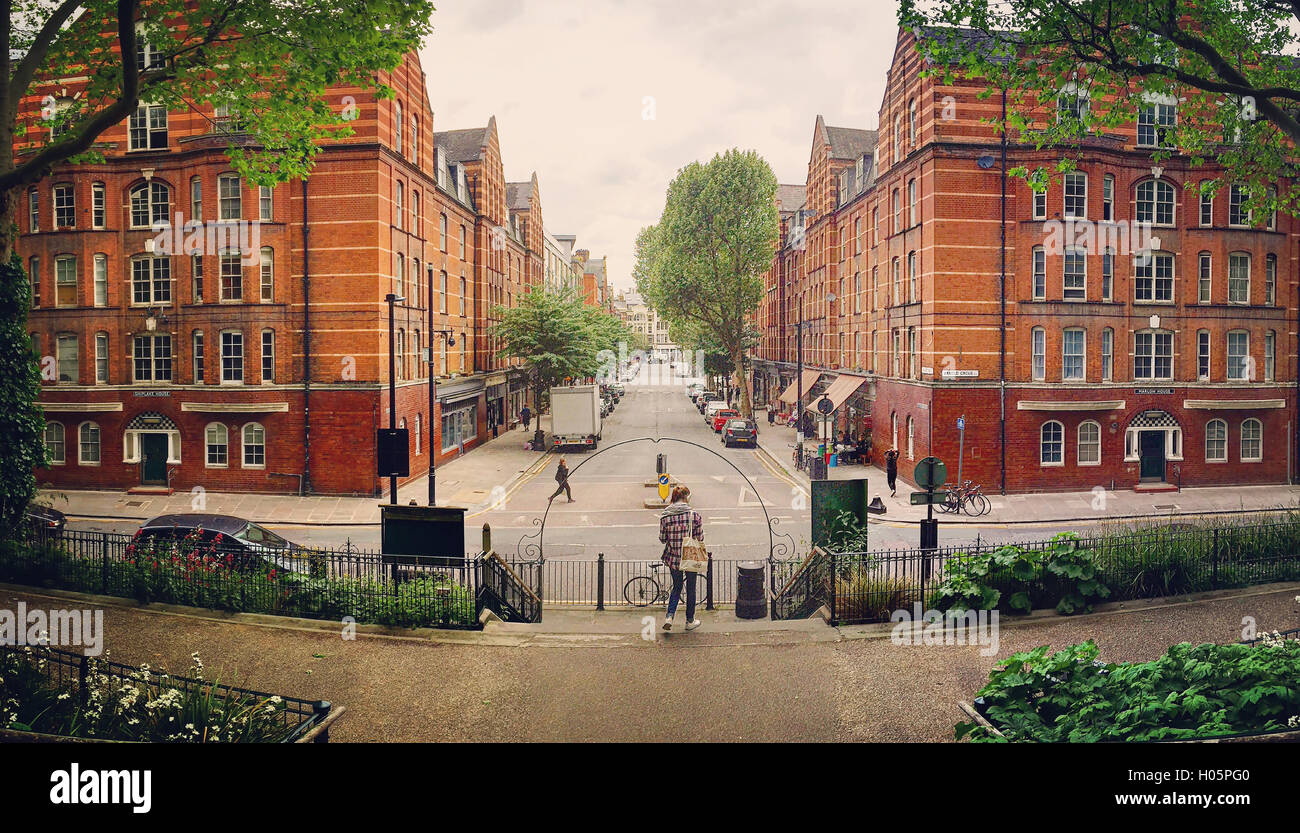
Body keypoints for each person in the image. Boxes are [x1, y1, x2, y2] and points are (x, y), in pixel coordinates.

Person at [658, 485, 703, 631]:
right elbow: (699, 538)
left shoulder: (665, 515)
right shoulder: (694, 516)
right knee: (691, 588)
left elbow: (663, 539)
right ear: (686, 497)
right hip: (689, 557)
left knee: (676, 587)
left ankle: (669, 616)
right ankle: (690, 621)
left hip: (673, 558)